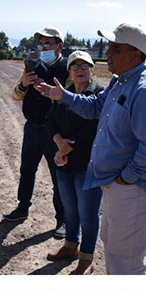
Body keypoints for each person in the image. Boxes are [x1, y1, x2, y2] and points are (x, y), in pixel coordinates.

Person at [34, 23, 146, 275]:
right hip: (115, 185)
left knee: (125, 262)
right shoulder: (120, 82)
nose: (107, 52)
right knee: (114, 248)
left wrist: (125, 178)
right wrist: (63, 96)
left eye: (114, 48)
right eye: (109, 46)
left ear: (135, 53)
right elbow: (95, 107)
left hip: (131, 188)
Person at [3, 27, 67, 237]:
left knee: (59, 176)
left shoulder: (67, 70)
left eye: (48, 44)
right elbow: (15, 95)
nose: (44, 47)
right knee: (27, 170)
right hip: (32, 129)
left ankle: (62, 219)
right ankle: (22, 208)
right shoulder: (33, 67)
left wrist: (51, 89)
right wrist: (24, 83)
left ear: (59, 46)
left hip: (55, 133)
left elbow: (72, 100)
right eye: (42, 44)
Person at [44, 50, 103, 274]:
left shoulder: (99, 95)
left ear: (92, 68)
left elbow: (96, 127)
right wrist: (59, 141)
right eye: (74, 65)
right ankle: (70, 246)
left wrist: (69, 146)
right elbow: (50, 122)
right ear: (69, 71)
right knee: (70, 209)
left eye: (84, 65)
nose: (79, 69)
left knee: (88, 213)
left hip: (88, 165)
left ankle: (86, 258)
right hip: (65, 163)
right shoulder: (64, 94)